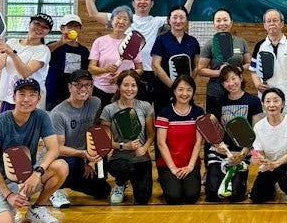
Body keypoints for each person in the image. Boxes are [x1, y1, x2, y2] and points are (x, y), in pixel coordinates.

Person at [82, 0, 198, 103]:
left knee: (148, 111)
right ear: (133, 3)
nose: (143, 1)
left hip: (151, 73)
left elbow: (180, 16)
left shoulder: (156, 21)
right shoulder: (123, 19)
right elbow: (94, 14)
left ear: (152, 3)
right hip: (130, 74)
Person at [0, 78, 68, 223]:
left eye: (32, 95)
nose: (27, 99)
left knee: (61, 166)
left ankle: (37, 209)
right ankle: (8, 208)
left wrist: (37, 173)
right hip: (1, 184)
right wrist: (8, 195)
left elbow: (54, 149)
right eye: (22, 94)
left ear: (38, 99)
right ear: (13, 97)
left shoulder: (41, 117)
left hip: (27, 179)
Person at [48, 70, 109, 208]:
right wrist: (83, 156)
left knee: (103, 191)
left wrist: (91, 159)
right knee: (73, 163)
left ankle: (73, 182)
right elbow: (57, 149)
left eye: (87, 85)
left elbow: (96, 132)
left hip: (84, 157)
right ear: (70, 87)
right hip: (61, 158)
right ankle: (55, 188)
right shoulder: (58, 113)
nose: (83, 89)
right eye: (78, 85)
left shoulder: (95, 103)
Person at [205, 65, 263, 202]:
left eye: (233, 78)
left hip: (242, 153)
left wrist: (242, 154)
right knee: (212, 194)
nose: (231, 83)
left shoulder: (253, 101)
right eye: (226, 81)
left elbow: (255, 133)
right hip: (220, 152)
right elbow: (213, 130)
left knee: (236, 196)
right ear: (222, 84)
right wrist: (218, 145)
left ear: (241, 78)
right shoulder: (219, 102)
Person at [99, 70, 156, 205]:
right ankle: (120, 183)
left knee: (143, 199)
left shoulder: (145, 106)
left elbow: (151, 134)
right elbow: (105, 142)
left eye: (133, 85)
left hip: (141, 158)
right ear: (119, 86)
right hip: (119, 159)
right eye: (126, 85)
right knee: (125, 168)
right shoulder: (109, 109)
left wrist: (145, 148)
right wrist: (124, 146)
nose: (129, 89)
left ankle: (134, 181)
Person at [0, 13, 52, 112]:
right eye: (37, 23)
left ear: (48, 32)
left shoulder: (43, 50)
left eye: (45, 27)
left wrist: (12, 53)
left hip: (29, 103)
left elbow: (26, 73)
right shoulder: (11, 42)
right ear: (29, 24)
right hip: (8, 99)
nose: (40, 28)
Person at [249, 88, 287, 203]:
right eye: (268, 101)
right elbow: (258, 151)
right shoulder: (259, 126)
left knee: (281, 172)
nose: (272, 105)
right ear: (263, 104)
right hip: (269, 165)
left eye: (276, 101)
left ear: (283, 103)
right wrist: (260, 159)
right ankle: (274, 183)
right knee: (257, 197)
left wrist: (275, 164)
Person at [155, 75, 204, 205]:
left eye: (189, 90)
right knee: (174, 198)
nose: (184, 93)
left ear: (193, 92)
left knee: (191, 196)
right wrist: (173, 168)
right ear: (174, 91)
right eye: (180, 89)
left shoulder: (198, 112)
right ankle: (167, 180)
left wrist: (190, 166)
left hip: (190, 165)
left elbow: (198, 142)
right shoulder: (165, 112)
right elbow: (161, 143)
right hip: (168, 165)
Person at [197, 7, 252, 117]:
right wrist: (220, 73)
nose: (222, 23)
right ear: (214, 24)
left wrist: (239, 69)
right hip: (215, 92)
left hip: (236, 91)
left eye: (225, 20)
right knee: (214, 127)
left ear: (231, 22)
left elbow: (249, 63)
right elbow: (200, 69)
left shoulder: (241, 42)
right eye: (218, 20)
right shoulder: (209, 44)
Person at [250, 9, 287, 115]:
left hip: (286, 99)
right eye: (268, 21)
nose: (272, 23)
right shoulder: (259, 46)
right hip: (265, 99)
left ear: (281, 24)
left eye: (275, 20)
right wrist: (257, 84)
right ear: (264, 25)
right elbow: (253, 71)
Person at [150, 5, 201, 114]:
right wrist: (174, 86)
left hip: (185, 93)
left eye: (182, 17)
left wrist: (186, 86)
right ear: (169, 20)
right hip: (163, 90)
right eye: (175, 17)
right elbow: (155, 65)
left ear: (186, 20)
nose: (178, 21)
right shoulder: (161, 40)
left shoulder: (193, 41)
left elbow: (196, 66)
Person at [88, 5, 143, 104]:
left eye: (125, 19)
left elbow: (140, 69)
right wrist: (105, 69)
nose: (121, 22)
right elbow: (91, 69)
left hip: (125, 92)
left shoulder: (133, 43)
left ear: (130, 24)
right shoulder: (99, 41)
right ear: (112, 21)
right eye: (118, 18)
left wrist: (123, 76)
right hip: (100, 90)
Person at [45, 14, 90, 110]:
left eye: (76, 26)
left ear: (80, 29)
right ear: (62, 29)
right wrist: (61, 42)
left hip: (74, 93)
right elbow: (43, 52)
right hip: (54, 92)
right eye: (69, 26)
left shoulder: (84, 51)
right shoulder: (54, 46)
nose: (73, 29)